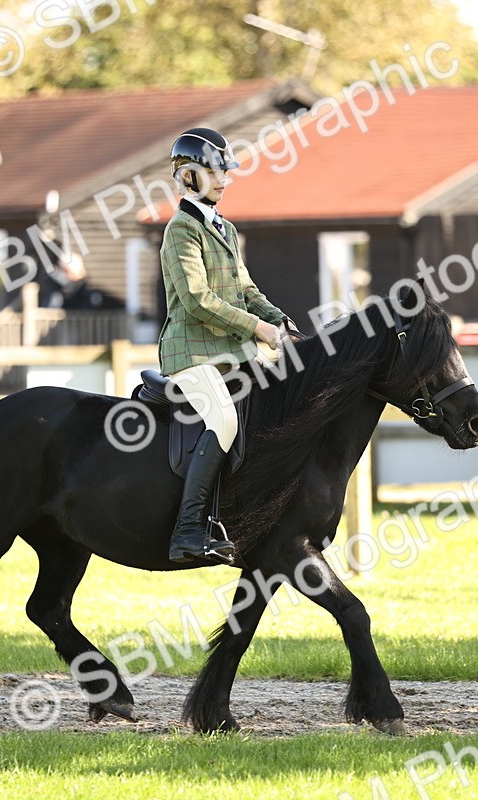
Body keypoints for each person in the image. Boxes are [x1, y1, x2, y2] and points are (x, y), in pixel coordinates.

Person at [158, 127, 299, 565]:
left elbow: (246, 289)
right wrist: (259, 329)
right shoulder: (181, 232)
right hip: (191, 353)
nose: (225, 179)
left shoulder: (225, 229)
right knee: (222, 419)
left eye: (225, 171)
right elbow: (199, 301)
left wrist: (282, 321)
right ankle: (188, 532)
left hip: (233, 353)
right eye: (216, 170)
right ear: (188, 176)